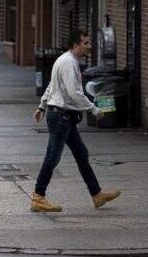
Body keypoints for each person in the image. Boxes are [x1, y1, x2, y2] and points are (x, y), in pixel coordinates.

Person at [31, 29, 121, 213]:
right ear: (75, 45)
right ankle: (38, 197)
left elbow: (51, 86)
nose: (88, 46)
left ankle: (97, 195)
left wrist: (42, 106)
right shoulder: (68, 63)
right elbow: (74, 93)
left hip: (65, 117)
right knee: (52, 157)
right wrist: (94, 109)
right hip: (61, 117)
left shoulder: (65, 61)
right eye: (85, 43)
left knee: (81, 154)